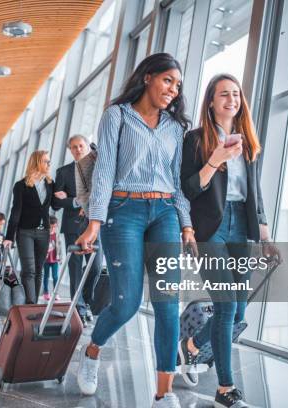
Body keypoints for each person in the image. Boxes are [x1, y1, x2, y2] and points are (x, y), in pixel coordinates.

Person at [75, 53, 194, 408]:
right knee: (126, 303)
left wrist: (185, 223)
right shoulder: (117, 116)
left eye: (177, 84)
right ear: (148, 77)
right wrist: (94, 222)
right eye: (167, 80)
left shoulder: (176, 128)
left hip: (165, 213)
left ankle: (163, 394)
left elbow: (175, 182)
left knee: (167, 305)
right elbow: (105, 171)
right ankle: (93, 350)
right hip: (123, 211)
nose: (173, 90)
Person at [179, 73, 280, 408]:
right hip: (210, 229)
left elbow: (255, 193)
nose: (231, 100)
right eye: (224, 94)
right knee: (225, 307)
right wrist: (215, 160)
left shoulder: (247, 142)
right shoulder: (195, 140)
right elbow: (189, 189)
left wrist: (264, 234)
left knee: (237, 312)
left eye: (236, 94)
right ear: (211, 101)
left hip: (241, 226)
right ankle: (225, 389)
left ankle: (193, 345)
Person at [53, 135, 104, 327]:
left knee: (96, 266)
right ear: (70, 150)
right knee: (75, 270)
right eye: (73, 147)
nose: (77, 149)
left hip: (96, 225)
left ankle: (84, 299)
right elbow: (56, 203)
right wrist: (75, 201)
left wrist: (79, 199)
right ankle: (79, 309)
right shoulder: (64, 172)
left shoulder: (99, 167)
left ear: (87, 146)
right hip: (73, 225)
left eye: (80, 146)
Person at [3, 150, 55, 304]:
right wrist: (9, 237)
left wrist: (73, 201)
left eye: (49, 161)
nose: (49, 164)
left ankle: (34, 304)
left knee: (39, 270)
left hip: (44, 232)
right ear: (37, 162)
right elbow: (15, 211)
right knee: (29, 270)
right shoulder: (21, 186)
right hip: (25, 232)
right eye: (46, 161)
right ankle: (30, 305)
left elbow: (56, 205)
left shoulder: (50, 184)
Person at [42, 216, 63, 301]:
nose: (53, 228)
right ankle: (46, 293)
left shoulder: (57, 234)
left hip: (55, 259)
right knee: (46, 276)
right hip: (46, 260)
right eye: (52, 226)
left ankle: (55, 293)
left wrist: (60, 258)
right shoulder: (44, 234)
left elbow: (60, 246)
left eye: (55, 226)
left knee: (55, 277)